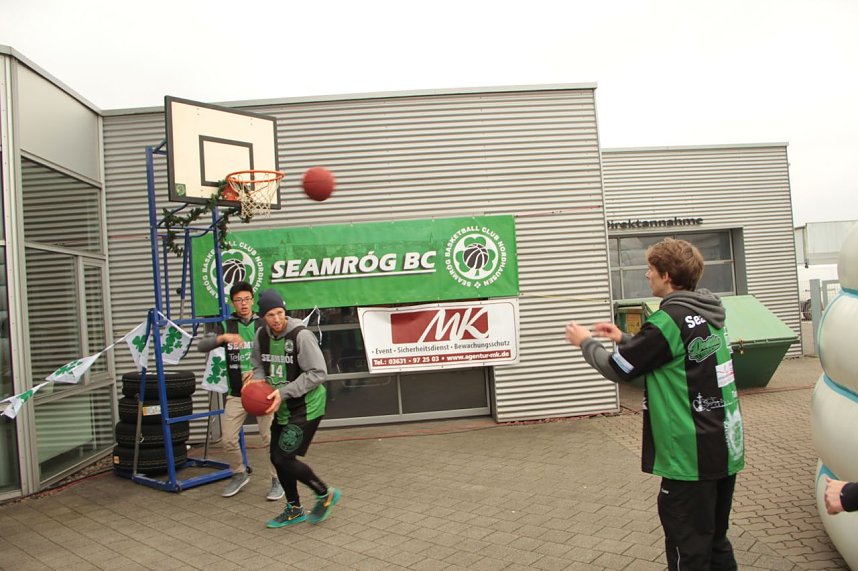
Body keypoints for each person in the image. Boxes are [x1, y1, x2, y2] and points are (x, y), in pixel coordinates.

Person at [564, 238, 744, 571]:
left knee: (687, 550)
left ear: (666, 276)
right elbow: (673, 354)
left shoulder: (668, 319)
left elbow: (619, 368)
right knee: (715, 541)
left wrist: (585, 343)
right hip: (723, 447)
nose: (646, 275)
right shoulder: (707, 310)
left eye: (650, 269)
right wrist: (624, 338)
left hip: (689, 458)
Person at [250, 288, 340, 528]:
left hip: (306, 406)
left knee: (284, 457)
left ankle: (325, 493)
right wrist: (259, 382)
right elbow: (257, 363)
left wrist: (283, 391)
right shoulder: (261, 336)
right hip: (281, 405)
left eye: (280, 313)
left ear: (285, 311)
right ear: (263, 317)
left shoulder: (301, 336)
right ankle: (294, 508)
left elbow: (318, 373)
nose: (277, 319)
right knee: (275, 457)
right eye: (270, 315)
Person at [197, 281, 283, 501]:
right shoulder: (227, 325)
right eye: (238, 300)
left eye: (246, 299)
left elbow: (278, 353)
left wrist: (260, 375)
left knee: (269, 437)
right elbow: (202, 345)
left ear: (252, 300)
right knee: (228, 438)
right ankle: (239, 473)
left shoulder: (263, 324)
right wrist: (223, 338)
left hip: (263, 391)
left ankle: (277, 479)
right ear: (232, 303)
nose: (243, 304)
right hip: (236, 393)